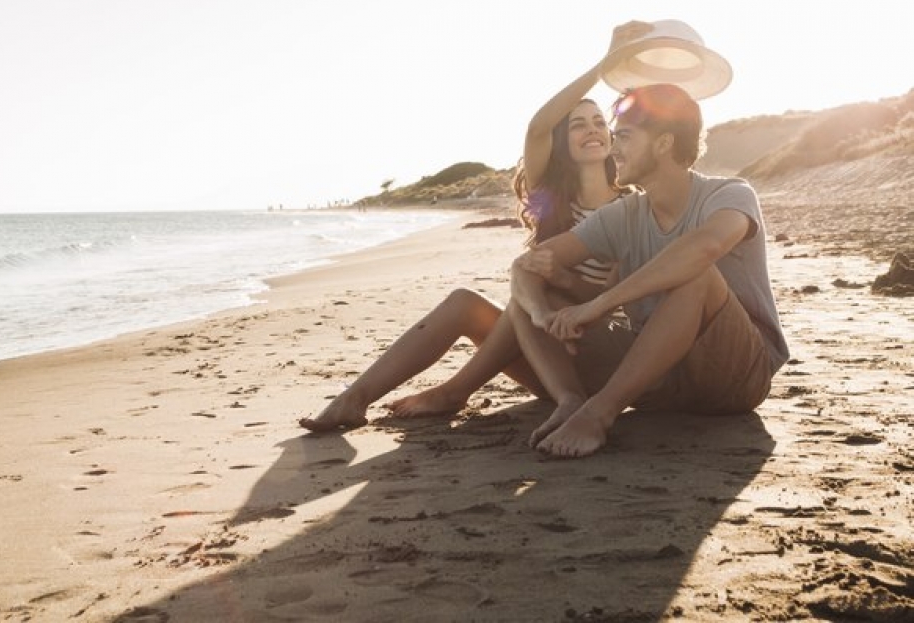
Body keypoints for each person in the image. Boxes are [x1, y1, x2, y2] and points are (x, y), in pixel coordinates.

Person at [297, 25, 652, 433]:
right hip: (546, 358)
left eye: (598, 122)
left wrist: (561, 280)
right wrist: (605, 64)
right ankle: (353, 399)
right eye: (577, 125)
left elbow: (611, 301)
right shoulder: (550, 197)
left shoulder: (631, 207)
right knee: (465, 303)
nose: (592, 129)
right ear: (561, 142)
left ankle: (455, 390)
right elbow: (538, 127)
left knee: (535, 290)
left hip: (593, 358)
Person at [508, 81, 791, 459]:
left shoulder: (730, 194)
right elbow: (526, 266)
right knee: (529, 301)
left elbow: (704, 248)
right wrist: (543, 314)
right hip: (656, 375)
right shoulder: (624, 213)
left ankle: (600, 412)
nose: (614, 147)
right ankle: (571, 401)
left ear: (663, 142)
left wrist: (601, 304)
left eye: (623, 136)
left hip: (734, 375)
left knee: (699, 275)